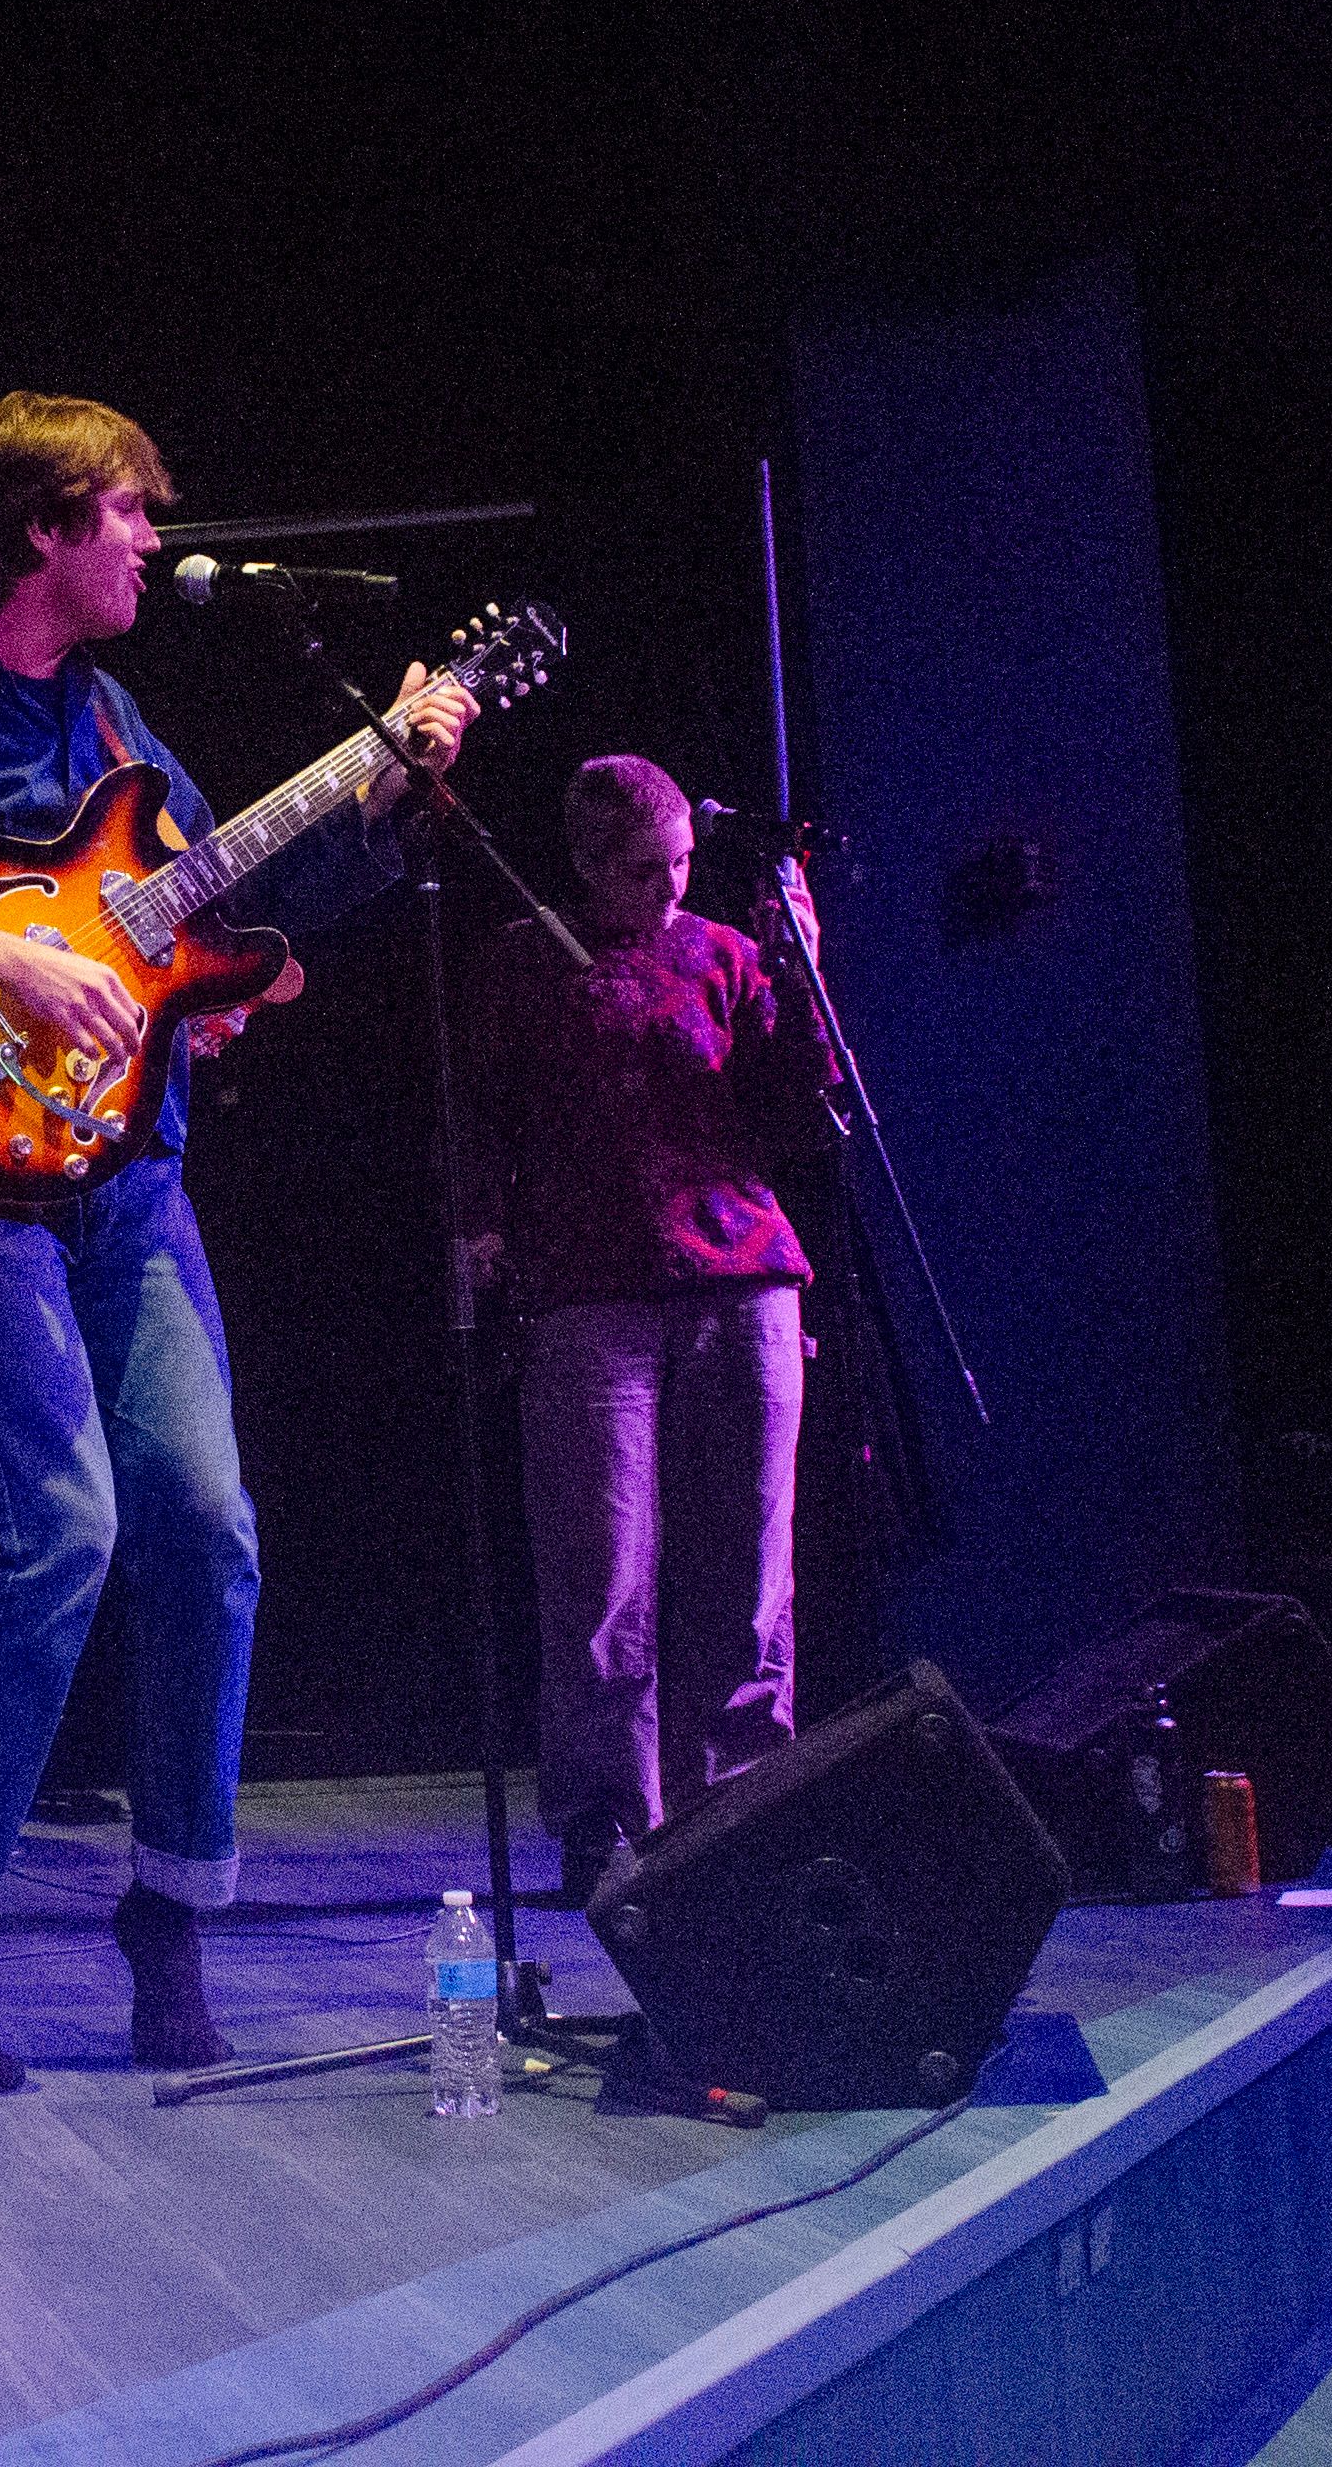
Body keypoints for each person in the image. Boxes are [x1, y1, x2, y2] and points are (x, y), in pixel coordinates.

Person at [0, 393, 476, 2092]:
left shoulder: (112, 719)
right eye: (128, 509)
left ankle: (170, 1907)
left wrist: (382, 799)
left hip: (127, 1175)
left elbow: (221, 914)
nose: (151, 537)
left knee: (204, 1520)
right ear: (42, 527)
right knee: (52, 1531)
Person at [462, 754, 834, 1908]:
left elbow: (800, 1102)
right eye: (641, 870)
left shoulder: (723, 953)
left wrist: (801, 972)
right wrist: (478, 1232)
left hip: (742, 1274)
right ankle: (606, 1820)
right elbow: (477, 1114)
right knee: (600, 1574)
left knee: (748, 1567)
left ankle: (738, 1805)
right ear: (585, 865)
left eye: (678, 864)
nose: (669, 887)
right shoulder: (522, 962)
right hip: (589, 1288)